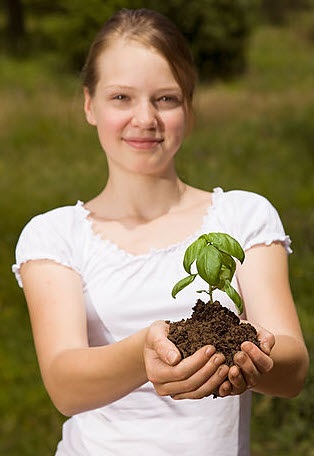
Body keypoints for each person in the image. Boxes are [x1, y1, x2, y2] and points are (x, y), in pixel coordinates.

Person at [12, 8, 309, 456]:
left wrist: (254, 352)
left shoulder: (243, 216)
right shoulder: (55, 235)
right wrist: (143, 353)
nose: (145, 118)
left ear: (189, 106)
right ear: (89, 104)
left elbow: (292, 369)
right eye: (121, 98)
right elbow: (65, 384)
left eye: (166, 99)